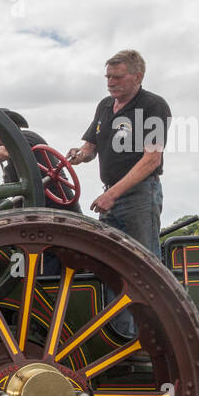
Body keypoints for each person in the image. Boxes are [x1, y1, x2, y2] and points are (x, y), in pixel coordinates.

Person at [66, 49, 170, 255]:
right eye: (108, 77)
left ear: (138, 77)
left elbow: (152, 160)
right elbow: (89, 147)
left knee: (144, 261)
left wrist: (112, 194)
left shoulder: (153, 105)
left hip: (140, 195)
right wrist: (78, 155)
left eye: (118, 77)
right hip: (110, 194)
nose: (111, 83)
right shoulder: (104, 105)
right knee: (111, 261)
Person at [0, 109, 81, 214]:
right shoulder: (11, 167)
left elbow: (3, 152)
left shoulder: (27, 138)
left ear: (4, 130)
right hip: (37, 213)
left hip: (58, 212)